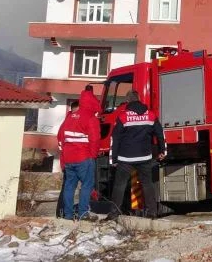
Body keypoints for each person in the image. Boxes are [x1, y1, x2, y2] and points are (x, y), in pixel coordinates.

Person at [106, 91, 166, 220]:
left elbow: (115, 139)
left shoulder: (123, 117)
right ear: (139, 99)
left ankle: (115, 213)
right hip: (145, 157)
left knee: (119, 185)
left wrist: (113, 159)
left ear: (127, 101)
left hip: (125, 158)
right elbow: (160, 134)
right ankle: (152, 212)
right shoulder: (150, 115)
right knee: (147, 184)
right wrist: (162, 151)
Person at [57, 100, 100, 220]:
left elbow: (60, 139)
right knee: (86, 185)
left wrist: (63, 158)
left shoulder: (68, 119)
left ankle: (68, 215)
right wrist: (93, 155)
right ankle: (83, 213)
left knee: (69, 186)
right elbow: (95, 139)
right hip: (84, 157)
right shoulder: (90, 118)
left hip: (69, 158)